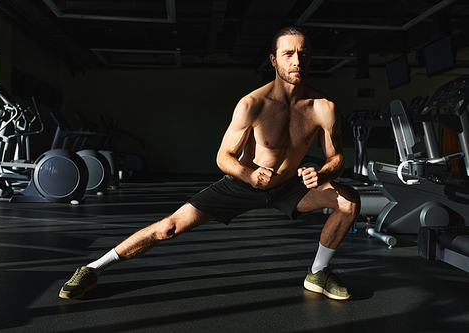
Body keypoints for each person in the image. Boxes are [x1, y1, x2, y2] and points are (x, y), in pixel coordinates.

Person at [59, 26, 360, 301]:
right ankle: (92, 269)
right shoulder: (253, 104)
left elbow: (337, 158)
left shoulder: (323, 108)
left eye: (303, 54)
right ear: (273, 60)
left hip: (289, 187)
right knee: (168, 228)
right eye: (289, 54)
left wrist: (321, 174)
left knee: (349, 200)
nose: (297, 60)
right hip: (244, 184)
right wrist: (249, 173)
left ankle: (318, 273)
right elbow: (223, 157)